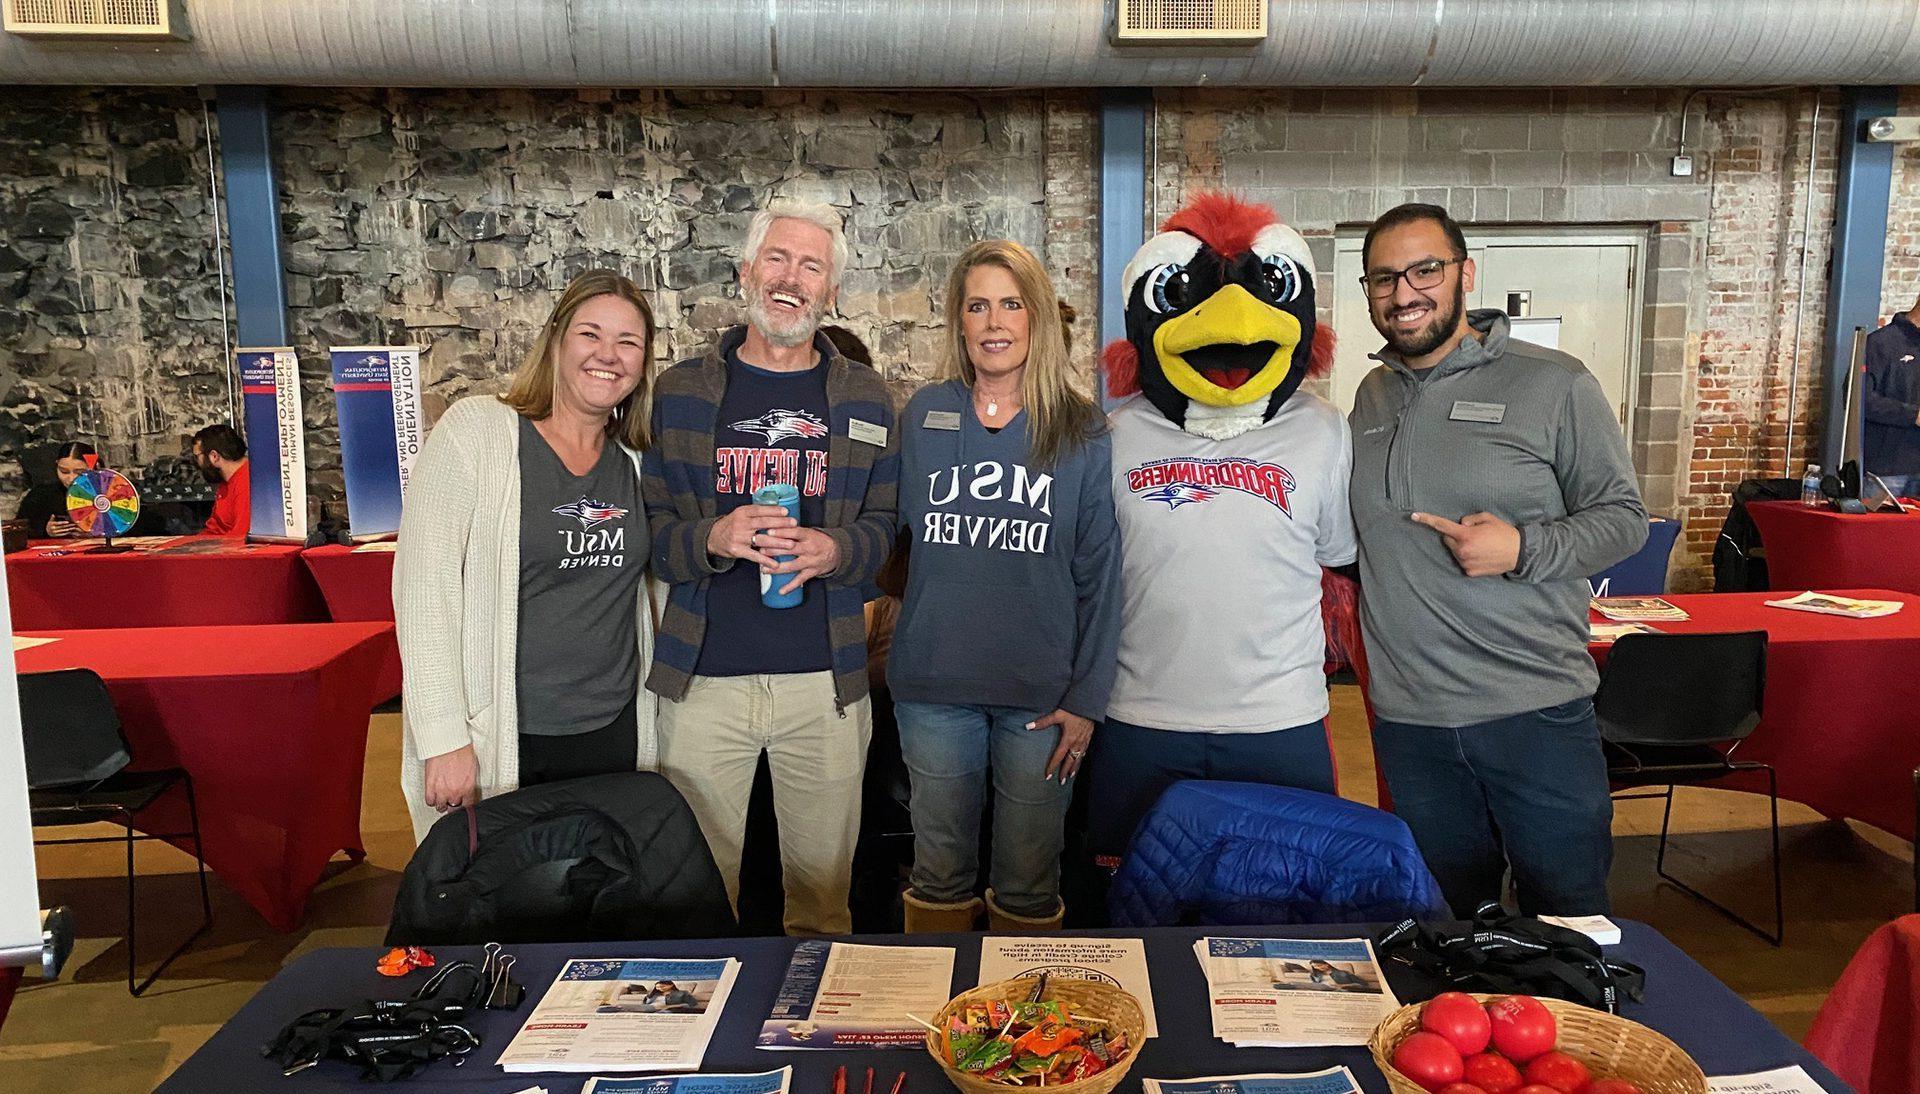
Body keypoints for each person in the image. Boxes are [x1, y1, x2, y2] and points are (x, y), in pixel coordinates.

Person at [1348, 203, 1647, 916]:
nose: (1404, 294)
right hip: (1410, 723)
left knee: (1566, 916)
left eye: (1425, 270)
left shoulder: (1554, 383)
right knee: (1444, 917)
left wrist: (1523, 548)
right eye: (1383, 279)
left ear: (1465, 273)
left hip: (1534, 712)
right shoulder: (1372, 395)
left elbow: (1625, 519)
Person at [643, 200, 899, 937]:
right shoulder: (682, 392)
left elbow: (885, 532)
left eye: (811, 266)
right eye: (778, 259)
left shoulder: (866, 397)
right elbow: (654, 539)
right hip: (700, 687)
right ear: (747, 271)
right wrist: (715, 537)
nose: (792, 278)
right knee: (696, 898)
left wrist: (835, 550)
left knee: (822, 906)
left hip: (827, 687)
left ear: (832, 293)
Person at [1088, 192, 1355, 876]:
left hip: (1279, 720)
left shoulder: (1322, 429)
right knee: (1130, 904)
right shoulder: (1114, 435)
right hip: (1139, 717)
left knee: (1285, 906)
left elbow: (1337, 558)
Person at [889, 240, 1120, 934]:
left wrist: (1086, 699)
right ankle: (937, 1023)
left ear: (1038, 317)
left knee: (1027, 885)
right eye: (978, 305)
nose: (994, 321)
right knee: (938, 875)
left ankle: (1022, 1038)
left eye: (1011, 304)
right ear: (959, 321)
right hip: (933, 688)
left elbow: (1099, 573)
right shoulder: (925, 416)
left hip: (1040, 702)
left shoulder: (1081, 428)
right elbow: (891, 539)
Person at [394, 269, 659, 842]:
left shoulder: (636, 460)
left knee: (600, 899)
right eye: (591, 334)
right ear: (557, 340)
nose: (607, 355)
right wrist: (443, 738)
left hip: (613, 731)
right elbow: (422, 590)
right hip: (503, 736)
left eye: (628, 342)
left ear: (643, 364)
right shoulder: (478, 433)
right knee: (499, 911)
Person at [1864, 296, 1920, 497]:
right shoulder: (1880, 343)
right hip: (1886, 470)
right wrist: (1913, 415)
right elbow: (1861, 401)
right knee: (1877, 528)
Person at [16, 441, 96, 538]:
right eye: (64, 472)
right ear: (57, 465)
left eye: (80, 473)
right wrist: (45, 531)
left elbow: (119, 530)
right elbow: (18, 532)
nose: (71, 479)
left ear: (94, 468)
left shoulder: (111, 494)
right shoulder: (40, 496)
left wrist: (97, 534)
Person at [191, 424, 251, 536]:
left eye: (197, 456)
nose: (196, 463)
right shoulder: (227, 481)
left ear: (214, 456)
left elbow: (240, 537)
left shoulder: (246, 482)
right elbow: (214, 528)